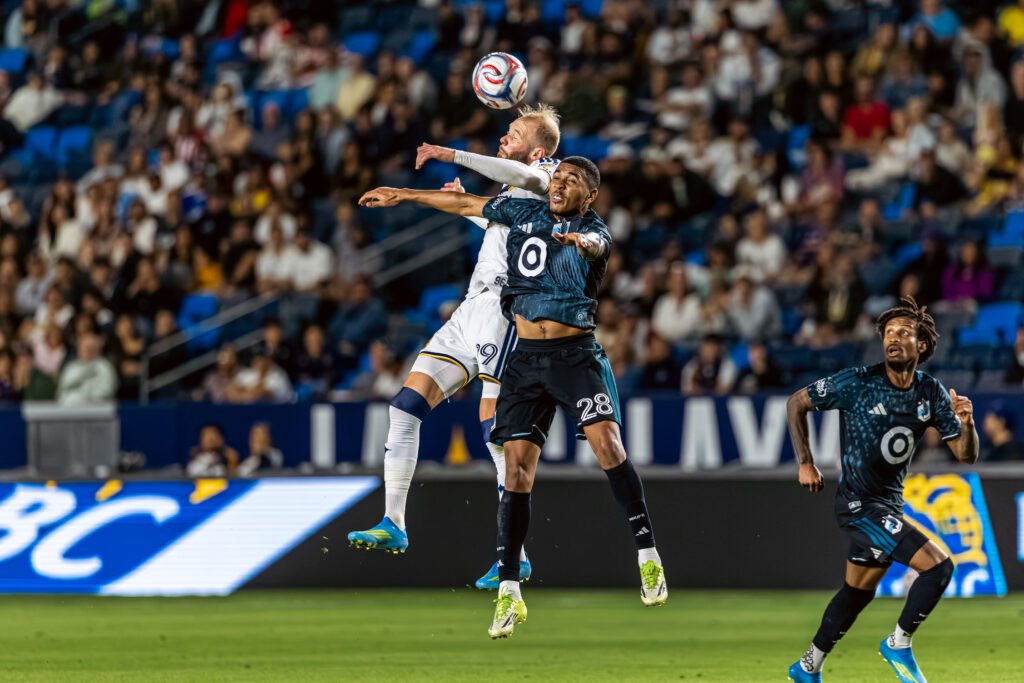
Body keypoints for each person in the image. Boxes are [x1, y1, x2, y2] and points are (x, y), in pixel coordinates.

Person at [358, 154, 667, 639]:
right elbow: (469, 206)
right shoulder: (526, 214)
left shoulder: (596, 230)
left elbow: (592, 246)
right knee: (517, 470)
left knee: (609, 447)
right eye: (558, 178)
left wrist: (577, 241)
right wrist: (406, 195)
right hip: (525, 359)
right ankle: (509, 592)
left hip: (574, 355)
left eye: (572, 181)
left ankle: (647, 554)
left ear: (591, 195)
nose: (561, 184)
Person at [346, 104, 562, 592]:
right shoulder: (513, 194)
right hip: (469, 309)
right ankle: (393, 523)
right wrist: (453, 199)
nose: (504, 137)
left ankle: (515, 555)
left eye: (514, 132)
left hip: (505, 312)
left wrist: (451, 156)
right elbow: (486, 219)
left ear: (539, 150)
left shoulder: (546, 174)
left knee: (493, 430)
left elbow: (519, 175)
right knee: (404, 407)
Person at [785, 296, 978, 683]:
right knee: (939, 567)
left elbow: (965, 455)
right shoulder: (858, 382)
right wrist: (805, 461)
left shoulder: (930, 392)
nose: (893, 338)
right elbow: (797, 402)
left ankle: (808, 666)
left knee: (858, 592)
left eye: (904, 333)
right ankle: (898, 643)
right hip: (859, 506)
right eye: (889, 332)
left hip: (888, 505)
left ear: (920, 345)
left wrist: (966, 423)